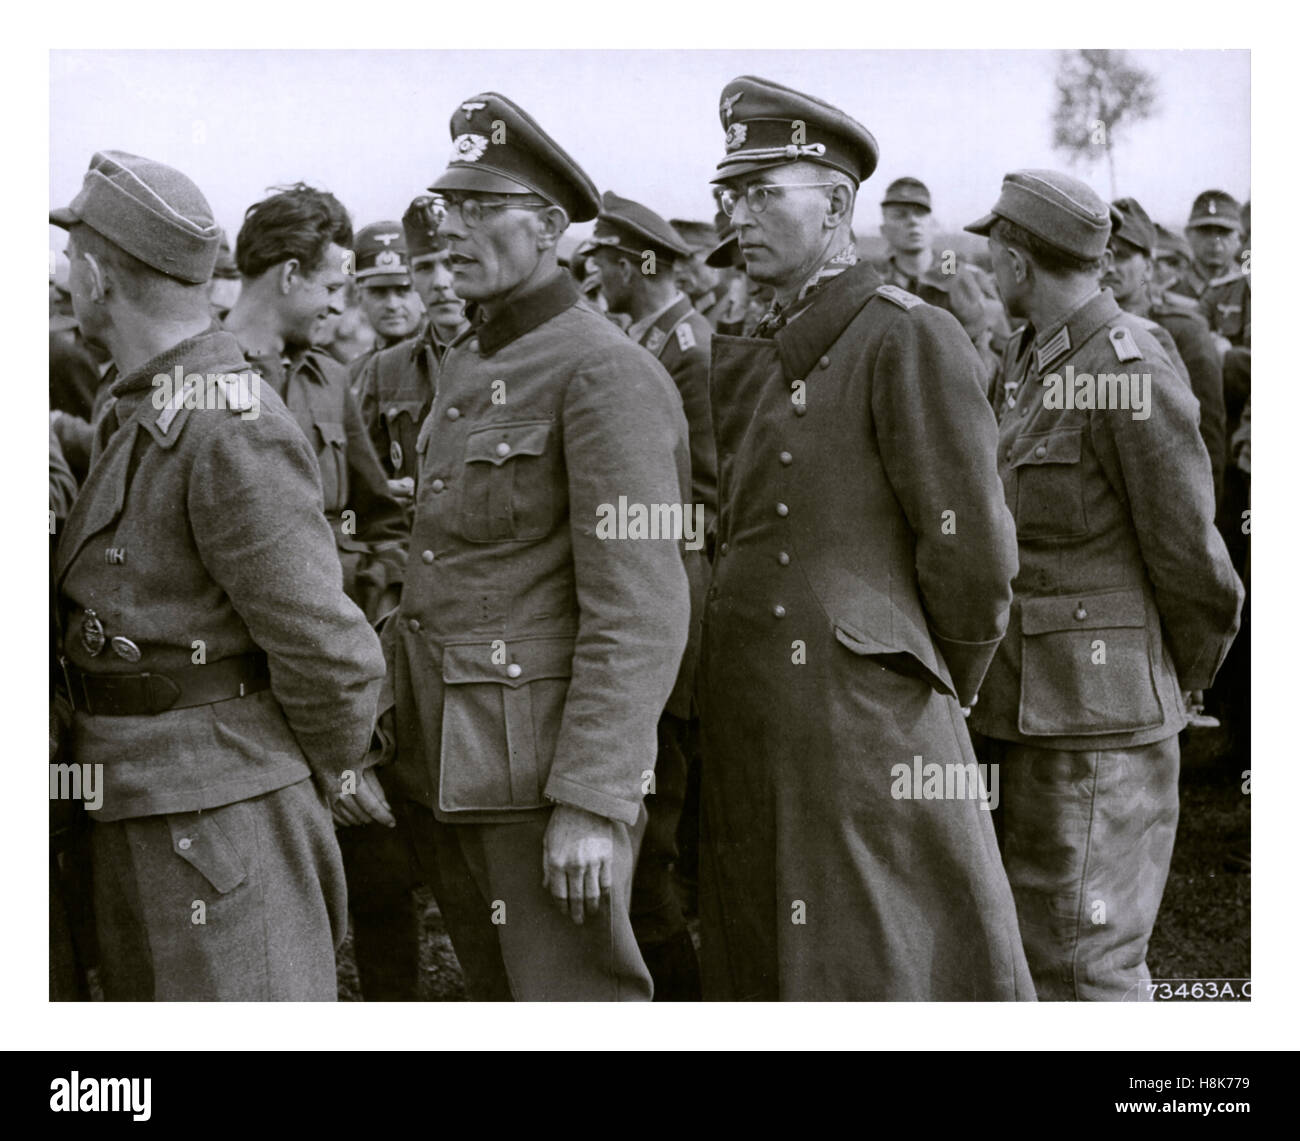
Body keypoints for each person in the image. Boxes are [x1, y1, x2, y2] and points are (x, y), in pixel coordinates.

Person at [697, 75, 1032, 1001]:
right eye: (734, 193)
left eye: (766, 193)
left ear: (840, 207)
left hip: (862, 725)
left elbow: (973, 550)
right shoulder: (769, 335)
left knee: (880, 964)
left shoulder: (905, 336)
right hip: (763, 714)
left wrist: (926, 679)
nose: (741, 215)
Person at [372, 92, 691, 1001]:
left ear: (551, 227)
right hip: (453, 762)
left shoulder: (604, 371)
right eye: (449, 211)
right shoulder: (474, 361)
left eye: (484, 211)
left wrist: (594, 799)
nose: (456, 232)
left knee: (574, 999)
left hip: (541, 778)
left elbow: (642, 606)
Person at [50, 150, 385, 1000]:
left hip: (222, 821)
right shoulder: (142, 405)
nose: (63, 275)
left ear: (94, 276)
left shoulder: (227, 421)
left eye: (69, 259)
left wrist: (279, 782)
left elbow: (329, 651)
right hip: (139, 806)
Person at [965, 169, 1243, 1001]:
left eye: (995, 252)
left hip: (1099, 730)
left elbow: (1193, 561)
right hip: (1026, 713)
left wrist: (1163, 683)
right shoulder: (1029, 356)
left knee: (1085, 967)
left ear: (1017, 264)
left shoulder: (1128, 364)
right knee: (1023, 952)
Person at [589, 190, 716, 998]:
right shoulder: (649, 341)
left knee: (655, 839)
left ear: (642, 264)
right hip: (655, 592)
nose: (594, 271)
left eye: (605, 258)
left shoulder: (689, 351)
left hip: (672, 600)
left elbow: (702, 495)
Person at [224, 184, 407, 625]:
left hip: (334, 635)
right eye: (331, 287)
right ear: (289, 276)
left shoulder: (330, 380)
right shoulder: (191, 376)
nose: (337, 307)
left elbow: (381, 520)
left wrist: (379, 592)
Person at [1106, 196, 1226, 502]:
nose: (1109, 266)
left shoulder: (1184, 330)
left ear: (1148, 264)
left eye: (1122, 256)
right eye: (1101, 253)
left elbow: (1207, 437)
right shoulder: (1078, 328)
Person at [354, 196, 467, 519]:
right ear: (413, 278)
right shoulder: (386, 368)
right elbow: (365, 477)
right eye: (425, 268)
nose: (441, 283)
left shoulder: (515, 358)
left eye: (451, 264)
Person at [874, 175, 1010, 378]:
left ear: (933, 225)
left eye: (920, 213)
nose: (912, 221)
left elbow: (1004, 354)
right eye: (900, 215)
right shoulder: (875, 286)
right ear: (884, 230)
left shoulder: (963, 277)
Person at [346, 220, 426, 387]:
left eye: (403, 290)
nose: (392, 304)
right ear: (359, 297)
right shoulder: (351, 377)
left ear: (422, 291)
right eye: (378, 292)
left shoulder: (446, 365)